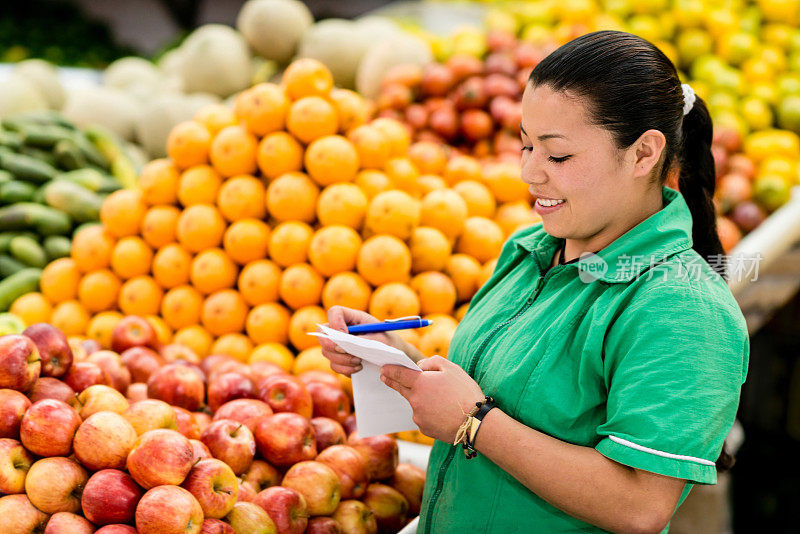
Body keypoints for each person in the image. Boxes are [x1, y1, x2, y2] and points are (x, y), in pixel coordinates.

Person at [319, 30, 749, 534]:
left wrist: (473, 422)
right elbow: (509, 397)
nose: (528, 172)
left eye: (557, 156)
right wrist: (396, 360)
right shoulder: (530, 249)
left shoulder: (682, 306)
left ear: (643, 154)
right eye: (524, 145)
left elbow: (640, 505)